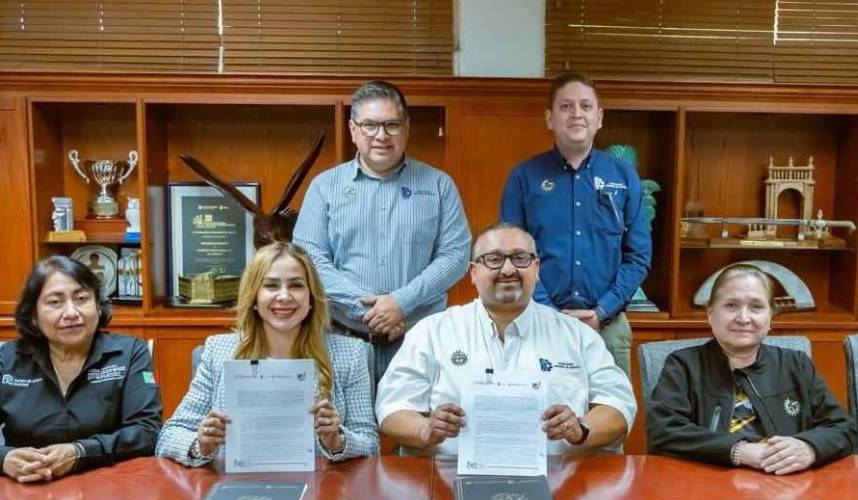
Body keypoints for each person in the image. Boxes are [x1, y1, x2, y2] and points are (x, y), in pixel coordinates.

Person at [376, 222, 635, 455]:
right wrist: (424, 429)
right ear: (473, 272)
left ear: (536, 269)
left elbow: (619, 406)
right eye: (494, 259)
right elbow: (392, 408)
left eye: (520, 258)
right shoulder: (432, 332)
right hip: (448, 478)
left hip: (559, 479)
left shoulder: (577, 335)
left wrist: (581, 428)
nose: (508, 269)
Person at [294, 80, 471, 382]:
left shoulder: (439, 185)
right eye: (370, 125)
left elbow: (455, 256)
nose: (381, 135)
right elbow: (309, 259)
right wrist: (372, 312)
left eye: (392, 124)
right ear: (353, 130)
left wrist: (402, 302)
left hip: (421, 342)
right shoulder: (325, 186)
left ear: (406, 128)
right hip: (342, 341)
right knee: (342, 415)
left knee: (416, 415)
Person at [156, 242, 379, 466]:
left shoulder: (350, 354)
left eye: (296, 286)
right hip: (239, 483)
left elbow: (370, 444)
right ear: (254, 297)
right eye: (271, 286)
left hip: (323, 483)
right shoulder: (219, 351)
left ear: (311, 297)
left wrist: (337, 441)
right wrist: (201, 445)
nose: (284, 296)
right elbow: (169, 436)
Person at [501, 72, 651, 377]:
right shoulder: (523, 177)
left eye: (585, 106)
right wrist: (550, 314)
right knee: (539, 408)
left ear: (599, 117)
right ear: (550, 118)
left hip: (607, 327)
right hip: (537, 325)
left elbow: (638, 256)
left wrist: (602, 311)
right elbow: (512, 255)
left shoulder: (624, 177)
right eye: (566, 106)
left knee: (607, 407)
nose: (577, 114)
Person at [646, 264, 854, 474]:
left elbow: (843, 427)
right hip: (708, 480)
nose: (743, 318)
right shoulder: (683, 365)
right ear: (710, 313)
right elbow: (663, 432)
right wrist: (739, 450)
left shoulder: (795, 364)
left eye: (756, 307)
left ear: (771, 317)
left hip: (785, 483)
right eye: (731, 305)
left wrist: (808, 448)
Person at [0, 256, 161, 482]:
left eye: (82, 298)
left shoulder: (129, 353)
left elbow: (147, 432)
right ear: (33, 316)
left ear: (98, 306)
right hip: (27, 488)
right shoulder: (9, 359)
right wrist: (3, 459)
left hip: (109, 485)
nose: (71, 312)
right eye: (55, 302)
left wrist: (81, 451)